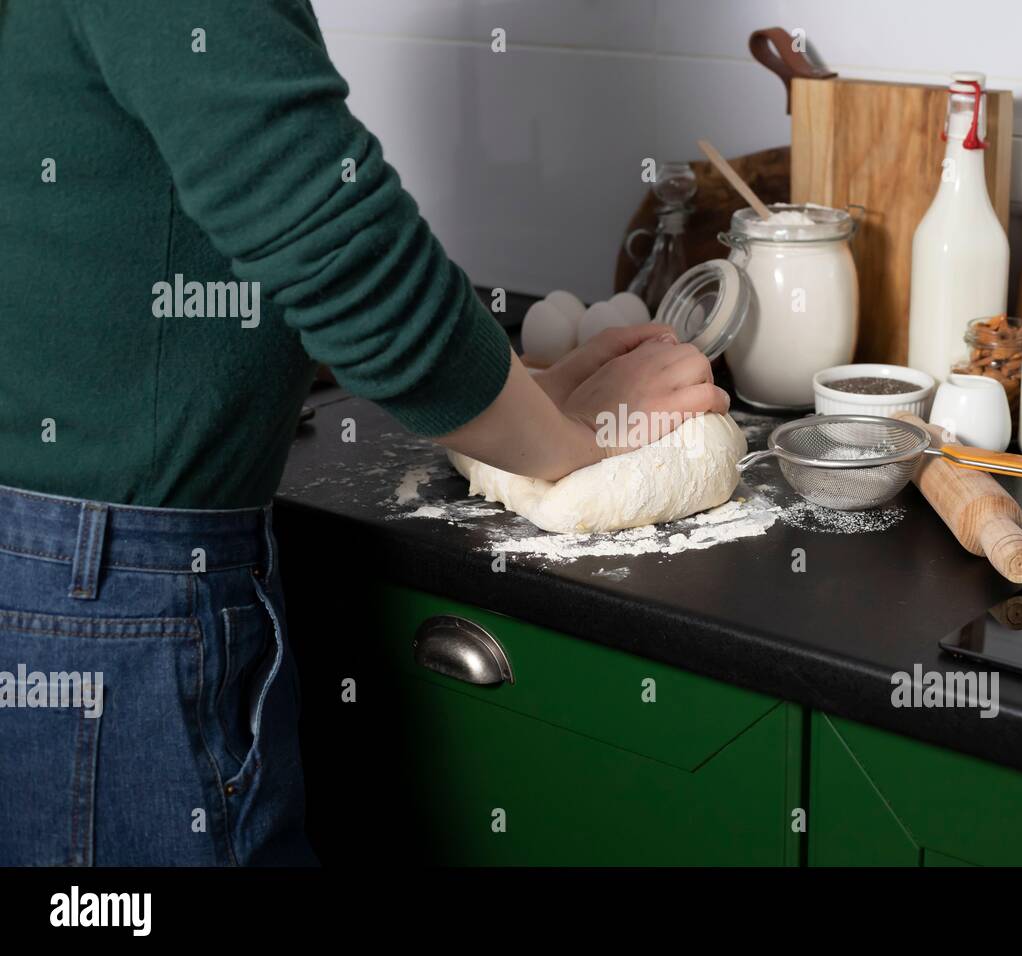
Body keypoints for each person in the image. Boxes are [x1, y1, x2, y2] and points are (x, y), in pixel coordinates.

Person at [0, 0, 727, 865]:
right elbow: (331, 236)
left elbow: (139, 230)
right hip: (115, 594)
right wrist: (578, 446)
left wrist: (524, 389)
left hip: (56, 571)